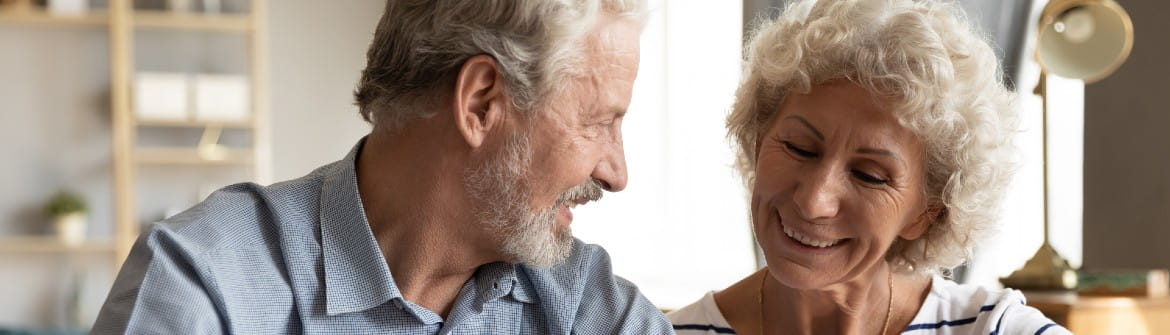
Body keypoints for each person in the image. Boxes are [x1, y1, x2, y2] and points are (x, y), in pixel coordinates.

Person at [93, 0, 674, 333]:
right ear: (481, 103)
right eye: (599, 122)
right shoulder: (206, 280)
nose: (616, 171)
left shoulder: (583, 303)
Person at [668, 0, 1070, 334]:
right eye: (799, 148)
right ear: (758, 144)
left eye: (869, 176)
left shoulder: (997, 329)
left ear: (926, 215)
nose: (814, 201)